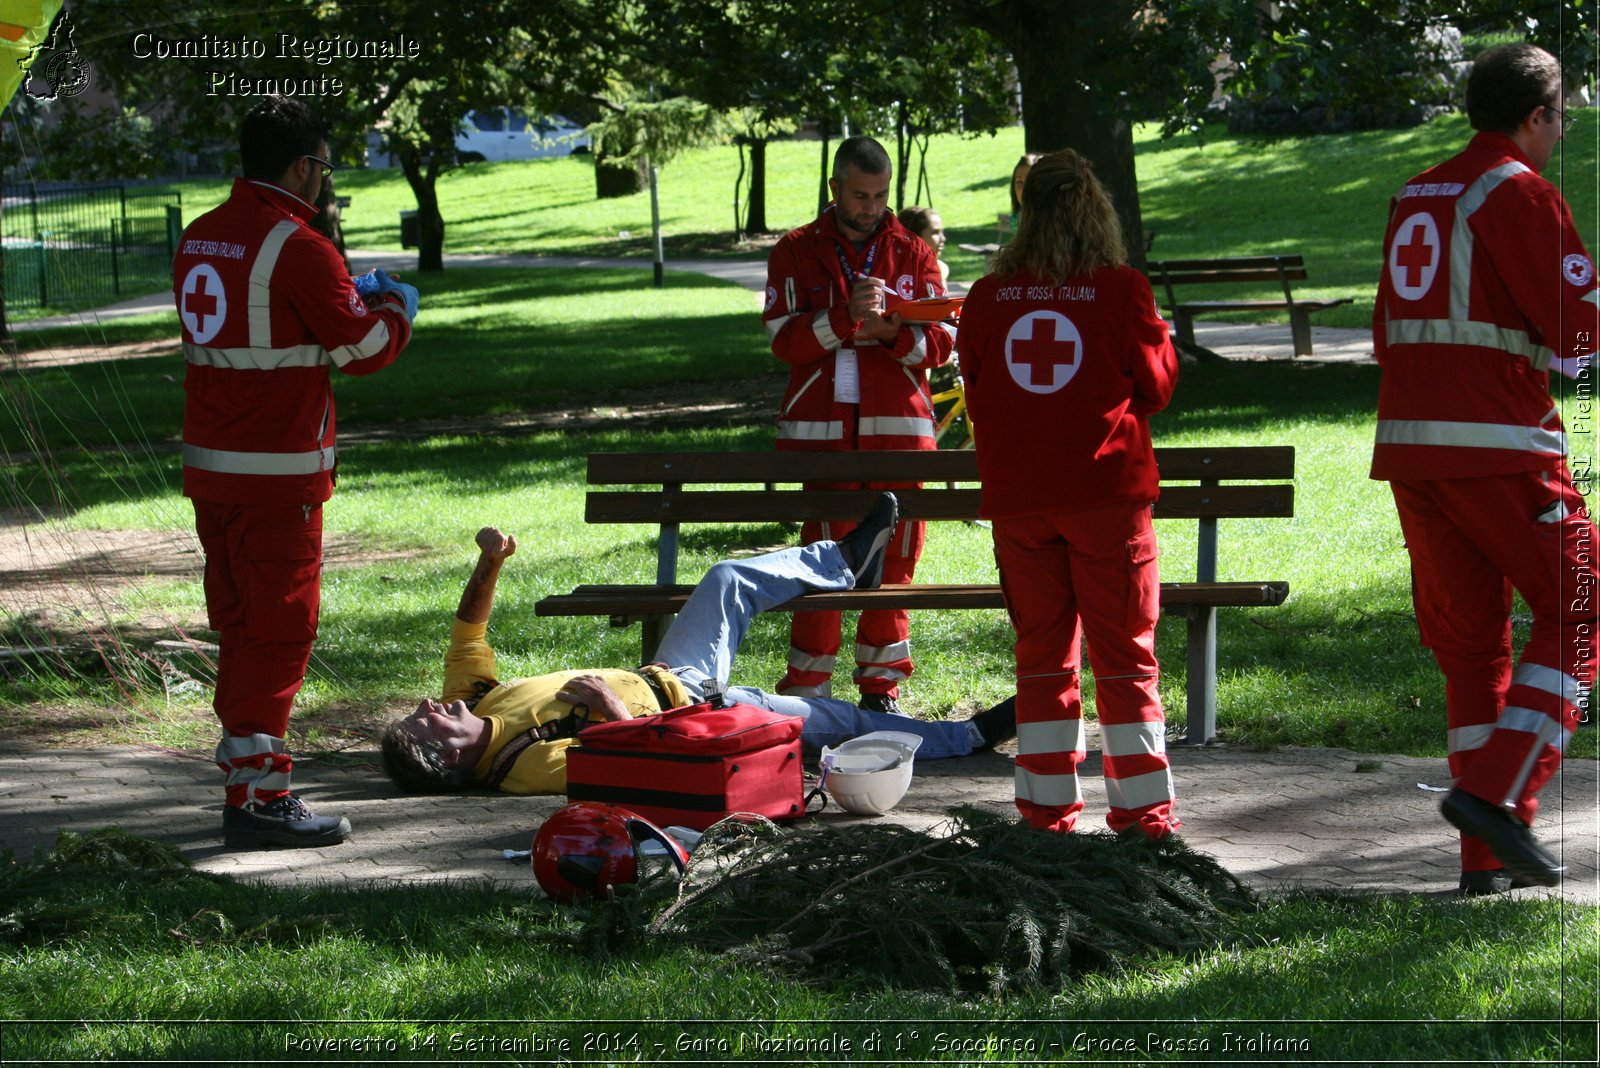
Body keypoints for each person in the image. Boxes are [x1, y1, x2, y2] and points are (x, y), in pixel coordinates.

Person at [1370, 42, 1597, 895]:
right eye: (1560, 118)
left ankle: (1488, 864)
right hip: (1498, 441)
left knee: (1473, 655)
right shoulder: (1521, 193)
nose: (1560, 133)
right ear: (1535, 117)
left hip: (1411, 448)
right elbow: (1583, 332)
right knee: (1584, 605)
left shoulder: (1416, 192)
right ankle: (1501, 796)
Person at [382, 495, 1017, 794]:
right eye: (426, 722)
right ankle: (972, 737)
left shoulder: (480, 704)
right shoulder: (520, 768)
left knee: (725, 577)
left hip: (672, 671)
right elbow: (628, 771)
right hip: (697, 720)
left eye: (424, 707)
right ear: (448, 763)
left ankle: (847, 560)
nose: (432, 706)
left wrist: (490, 562)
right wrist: (611, 708)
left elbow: (467, 633)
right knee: (838, 723)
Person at [173, 95, 420, 849]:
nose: (324, 183)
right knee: (280, 635)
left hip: (212, 471)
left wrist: (347, 300)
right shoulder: (299, 246)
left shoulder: (200, 237)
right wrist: (396, 309)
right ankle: (259, 800)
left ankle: (247, 786)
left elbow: (268, 329)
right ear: (302, 166)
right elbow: (362, 350)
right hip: (276, 476)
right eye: (324, 167)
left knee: (243, 629)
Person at [957, 149, 1180, 840]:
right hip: (1104, 499)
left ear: (1026, 212)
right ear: (1095, 210)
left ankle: (1045, 816)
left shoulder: (990, 297)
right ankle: (1143, 819)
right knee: (1125, 657)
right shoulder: (1120, 289)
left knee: (1042, 660)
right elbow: (1158, 386)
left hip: (1022, 504)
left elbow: (978, 387)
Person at [761, 136, 954, 715]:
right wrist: (844, 319)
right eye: (859, 195)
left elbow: (942, 344)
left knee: (894, 564)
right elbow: (783, 341)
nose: (870, 208)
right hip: (824, 439)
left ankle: (881, 690)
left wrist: (894, 333)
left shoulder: (913, 252)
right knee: (823, 561)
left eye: (878, 196)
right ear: (834, 190)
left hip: (900, 437)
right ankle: (808, 692)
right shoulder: (796, 250)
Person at [897, 205, 949, 289]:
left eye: (942, 232)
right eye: (935, 232)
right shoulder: (896, 272)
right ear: (915, 237)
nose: (943, 238)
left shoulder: (941, 269)